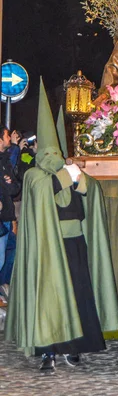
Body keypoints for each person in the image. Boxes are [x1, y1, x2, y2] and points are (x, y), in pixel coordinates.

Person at [5, 79, 118, 371]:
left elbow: (92, 192)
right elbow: (43, 191)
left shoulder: (67, 169)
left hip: (74, 243)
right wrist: (66, 176)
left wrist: (79, 179)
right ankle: (49, 350)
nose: (54, 159)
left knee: (78, 294)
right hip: (47, 246)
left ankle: (75, 346)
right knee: (50, 297)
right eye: (50, 154)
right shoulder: (35, 175)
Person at [0, 125, 21, 301]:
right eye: (7, 136)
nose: (9, 139)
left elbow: (14, 187)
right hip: (2, 220)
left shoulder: (4, 160)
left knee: (11, 251)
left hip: (6, 216)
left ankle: (3, 287)